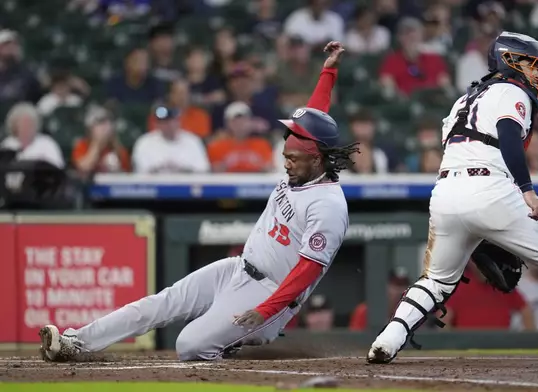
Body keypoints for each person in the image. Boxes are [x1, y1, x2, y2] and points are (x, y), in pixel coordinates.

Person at [38, 41, 359, 362]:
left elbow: (307, 270)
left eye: (294, 154)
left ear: (316, 155)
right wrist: (328, 70)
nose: (286, 160)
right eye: (287, 151)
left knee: (189, 346)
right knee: (162, 302)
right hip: (237, 269)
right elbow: (317, 115)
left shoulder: (327, 205)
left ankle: (237, 365)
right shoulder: (305, 164)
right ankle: (75, 342)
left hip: (270, 293)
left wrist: (266, 310)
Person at [366, 31, 538, 366]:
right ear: (510, 60)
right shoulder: (512, 90)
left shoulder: (462, 100)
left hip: (444, 192)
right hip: (491, 188)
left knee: (436, 281)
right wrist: (526, 190)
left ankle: (387, 340)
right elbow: (510, 136)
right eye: (533, 64)